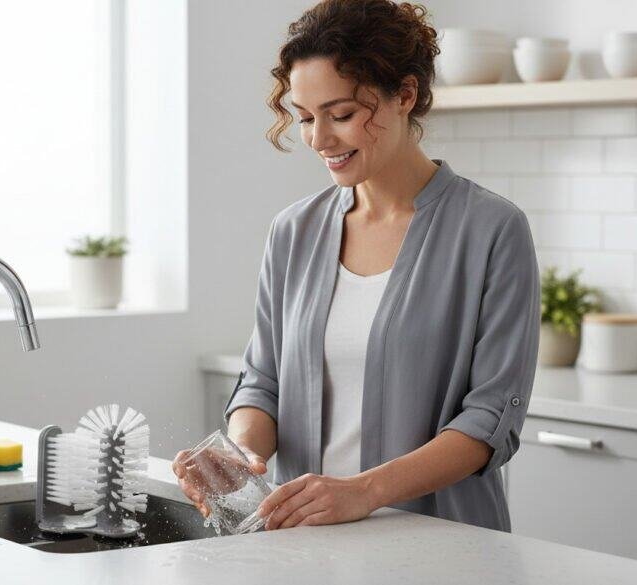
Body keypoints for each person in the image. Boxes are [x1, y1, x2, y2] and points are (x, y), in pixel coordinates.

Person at [173, 0, 539, 533]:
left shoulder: (491, 229)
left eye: (340, 114)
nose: (320, 139)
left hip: (442, 546)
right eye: (304, 118)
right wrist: (240, 455)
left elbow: (490, 421)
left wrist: (363, 492)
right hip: (304, 547)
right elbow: (263, 383)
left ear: (405, 95)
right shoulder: (293, 231)